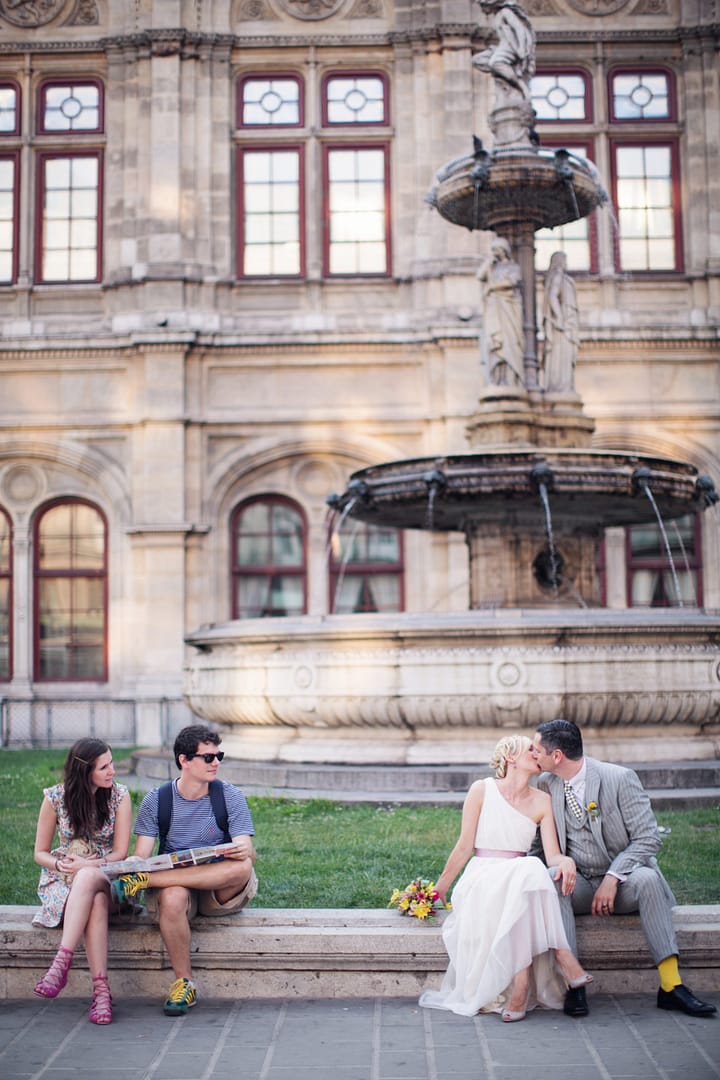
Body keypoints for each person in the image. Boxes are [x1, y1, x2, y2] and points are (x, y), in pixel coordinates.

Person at [531, 718, 717, 1018]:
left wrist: (613, 877)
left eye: (536, 749)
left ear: (557, 756)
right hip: (577, 883)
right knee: (554, 880)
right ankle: (574, 984)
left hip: (622, 882)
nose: (532, 754)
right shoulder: (545, 784)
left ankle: (671, 986)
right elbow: (540, 844)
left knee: (648, 878)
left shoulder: (619, 778)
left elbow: (648, 838)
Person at [419, 734, 592, 1021]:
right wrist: (440, 888)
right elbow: (464, 846)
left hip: (518, 879)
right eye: (530, 751)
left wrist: (567, 861)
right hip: (482, 877)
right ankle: (562, 959)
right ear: (511, 757)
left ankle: (521, 988)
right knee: (528, 872)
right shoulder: (482, 790)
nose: (538, 755)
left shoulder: (542, 800)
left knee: (529, 869)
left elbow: (553, 856)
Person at [111, 723, 257, 1017]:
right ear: (184, 760)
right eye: (208, 757)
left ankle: (148, 881)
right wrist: (137, 864)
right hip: (177, 895)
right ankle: (184, 983)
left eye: (219, 756)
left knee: (242, 866)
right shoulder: (158, 799)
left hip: (219, 892)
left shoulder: (229, 795)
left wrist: (241, 848)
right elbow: (143, 853)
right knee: (174, 895)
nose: (216, 763)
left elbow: (247, 850)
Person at [32, 737, 132, 1025]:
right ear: (84, 771)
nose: (112, 771)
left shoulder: (119, 796)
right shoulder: (54, 798)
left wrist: (87, 865)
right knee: (96, 904)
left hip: (109, 877)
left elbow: (120, 853)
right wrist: (60, 863)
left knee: (91, 880)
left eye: (112, 763)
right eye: (104, 767)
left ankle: (61, 962)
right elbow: (39, 853)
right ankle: (102, 993)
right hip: (65, 883)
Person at [477, 237, 525, 388]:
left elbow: (514, 281)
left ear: (504, 250)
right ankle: (497, 378)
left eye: (496, 249)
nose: (494, 253)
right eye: (492, 250)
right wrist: (487, 262)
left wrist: (492, 288)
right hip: (494, 309)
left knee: (510, 341)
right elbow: (479, 276)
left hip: (509, 308)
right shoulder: (492, 268)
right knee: (496, 341)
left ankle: (512, 377)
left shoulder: (513, 267)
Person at [473, 0, 536, 104]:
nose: (483, 9)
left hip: (510, 47)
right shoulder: (497, 15)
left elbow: (519, 29)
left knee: (495, 63)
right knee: (477, 60)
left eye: (484, 5)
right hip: (501, 46)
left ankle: (521, 85)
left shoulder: (506, 12)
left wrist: (521, 49)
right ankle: (505, 79)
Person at [542, 251, 578, 393]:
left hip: (568, 321)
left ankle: (563, 385)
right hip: (564, 324)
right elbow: (552, 297)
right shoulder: (558, 276)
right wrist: (560, 318)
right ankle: (560, 385)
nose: (566, 263)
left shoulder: (563, 278)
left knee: (566, 356)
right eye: (564, 260)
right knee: (562, 355)